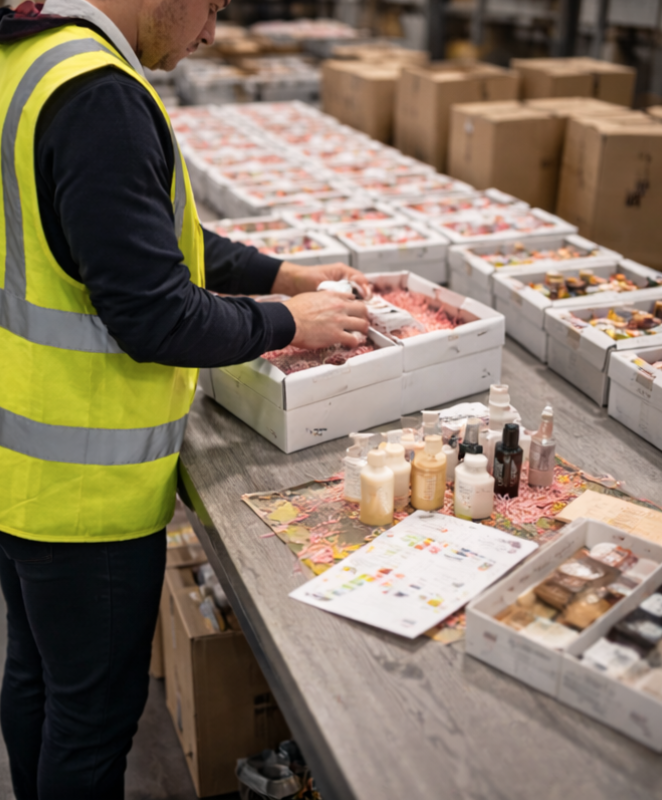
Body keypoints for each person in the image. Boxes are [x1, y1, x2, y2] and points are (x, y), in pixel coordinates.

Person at [0, 0, 370, 797]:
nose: (211, 34)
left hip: (18, 464)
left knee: (38, 678)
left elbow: (141, 242)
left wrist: (285, 275)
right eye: (214, 7)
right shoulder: (97, 93)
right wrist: (287, 321)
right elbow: (151, 310)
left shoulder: (26, 59)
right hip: (83, 494)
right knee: (90, 720)